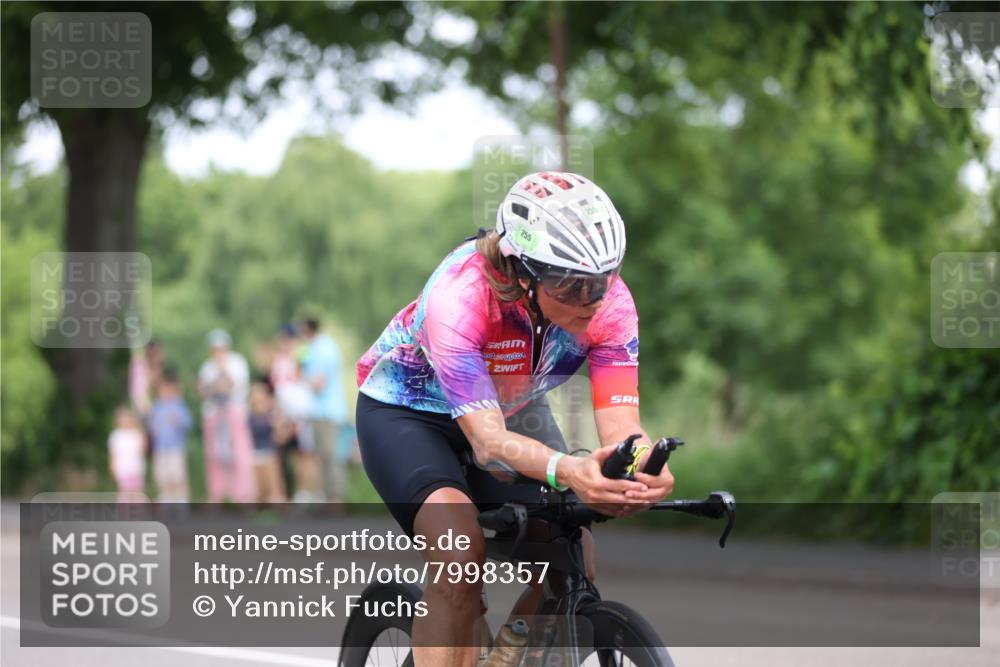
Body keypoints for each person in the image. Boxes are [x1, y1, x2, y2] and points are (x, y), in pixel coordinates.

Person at [355, 172, 675, 666]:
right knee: (458, 550)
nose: (591, 300)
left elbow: (621, 424)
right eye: (570, 286)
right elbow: (487, 443)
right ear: (523, 272)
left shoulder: (610, 304)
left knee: (574, 552)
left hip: (510, 407)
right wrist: (571, 470)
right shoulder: (460, 297)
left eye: (601, 280)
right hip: (409, 415)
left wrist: (640, 467)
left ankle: (507, 658)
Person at [198, 329, 257, 503]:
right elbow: (204, 390)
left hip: (234, 411)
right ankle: (218, 493)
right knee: (215, 454)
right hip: (214, 413)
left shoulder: (237, 362)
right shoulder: (207, 366)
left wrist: (222, 370)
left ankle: (243, 495)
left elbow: (232, 385)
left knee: (239, 453)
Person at [301, 317, 348, 503]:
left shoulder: (322, 349)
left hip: (327, 412)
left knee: (330, 456)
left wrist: (300, 379)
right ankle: (328, 498)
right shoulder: (318, 347)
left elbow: (318, 383)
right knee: (323, 457)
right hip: (322, 411)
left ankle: (335, 499)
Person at [148, 367, 193, 502]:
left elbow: (188, 423)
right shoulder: (157, 407)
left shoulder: (178, 405)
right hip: (161, 448)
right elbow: (151, 424)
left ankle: (181, 500)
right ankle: (166, 499)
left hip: (175, 447)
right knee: (162, 475)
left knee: (177, 475)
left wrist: (178, 422)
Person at [249, 378, 287, 503]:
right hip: (255, 452)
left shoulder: (271, 413)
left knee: (274, 487)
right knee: (260, 489)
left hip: (270, 452)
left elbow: (281, 434)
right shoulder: (249, 414)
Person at [108, 406, 147, 501]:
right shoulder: (115, 435)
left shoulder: (136, 433)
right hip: (123, 469)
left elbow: (144, 449)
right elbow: (113, 454)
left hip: (136, 468)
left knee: (138, 491)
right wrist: (112, 467)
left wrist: (141, 429)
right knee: (125, 491)